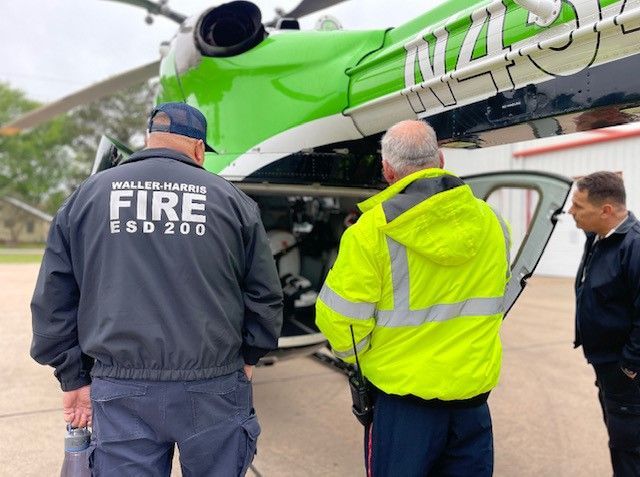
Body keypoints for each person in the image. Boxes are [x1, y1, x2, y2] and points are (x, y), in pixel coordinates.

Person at [30, 102, 283, 476]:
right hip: (213, 384)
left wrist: (73, 377)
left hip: (120, 388)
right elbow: (264, 295)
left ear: (148, 140)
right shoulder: (233, 202)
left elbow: (55, 300)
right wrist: (249, 355)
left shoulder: (87, 196)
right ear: (199, 149)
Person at [315, 120, 511, 476]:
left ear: (387, 170)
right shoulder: (493, 222)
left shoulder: (370, 232)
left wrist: (366, 361)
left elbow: (340, 321)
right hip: (472, 403)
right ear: (440, 159)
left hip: (403, 409)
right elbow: (500, 294)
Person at [569, 171, 640, 477]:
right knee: (619, 441)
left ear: (607, 211)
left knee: (628, 450)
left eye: (578, 206)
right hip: (608, 367)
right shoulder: (600, 236)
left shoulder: (634, 247)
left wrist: (628, 366)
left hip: (626, 374)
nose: (571, 211)